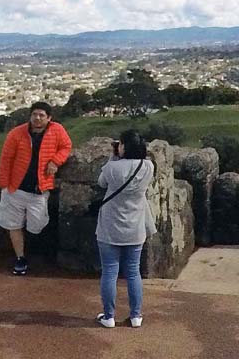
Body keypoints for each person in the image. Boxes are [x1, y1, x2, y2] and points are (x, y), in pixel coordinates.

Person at [0, 101, 72, 276]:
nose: (37, 118)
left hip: (40, 189)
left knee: (37, 225)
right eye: (34, 115)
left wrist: (55, 161)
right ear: (30, 116)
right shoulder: (17, 134)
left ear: (49, 118)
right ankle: (20, 258)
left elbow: (66, 146)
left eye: (41, 115)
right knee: (13, 224)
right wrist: (4, 185)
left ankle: (31, 251)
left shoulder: (57, 130)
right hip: (15, 188)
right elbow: (6, 159)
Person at [95, 129, 155, 328]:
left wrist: (113, 158)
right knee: (133, 272)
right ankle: (136, 315)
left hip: (111, 225)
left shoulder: (112, 168)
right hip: (135, 225)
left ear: (124, 147)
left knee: (110, 272)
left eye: (120, 144)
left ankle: (109, 316)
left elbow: (101, 182)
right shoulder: (148, 166)